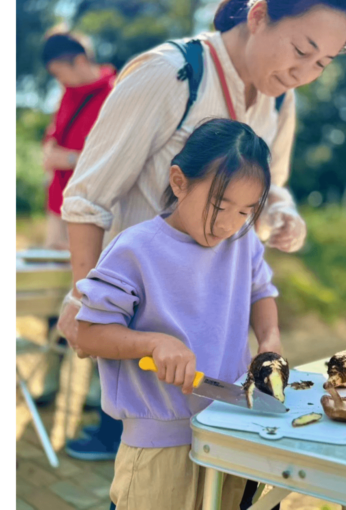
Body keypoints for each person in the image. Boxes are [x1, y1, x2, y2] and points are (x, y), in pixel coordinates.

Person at [58, 0, 346, 465]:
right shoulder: (171, 75)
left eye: (321, 64)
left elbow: (272, 184)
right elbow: (88, 198)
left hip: (213, 338)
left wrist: (281, 214)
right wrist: (87, 308)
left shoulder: (281, 100)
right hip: (143, 328)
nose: (304, 73)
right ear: (260, 15)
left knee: (210, 469)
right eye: (301, 50)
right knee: (148, 470)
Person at [76, 119, 277, 509]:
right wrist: (153, 342)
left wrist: (269, 342)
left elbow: (261, 292)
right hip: (159, 448)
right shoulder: (136, 248)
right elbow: (89, 335)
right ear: (179, 182)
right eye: (219, 206)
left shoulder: (242, 241)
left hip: (234, 431)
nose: (228, 224)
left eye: (245, 211)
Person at [41, 32, 116, 250]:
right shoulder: (68, 93)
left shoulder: (115, 94)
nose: (59, 80)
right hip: (58, 206)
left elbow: (119, 156)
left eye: (59, 73)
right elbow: (54, 135)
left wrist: (71, 159)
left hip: (91, 210)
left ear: (80, 61)